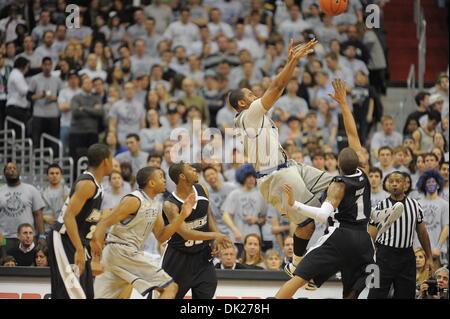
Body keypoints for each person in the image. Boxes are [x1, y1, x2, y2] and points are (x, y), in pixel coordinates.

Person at [229, 41, 398, 277]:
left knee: (340, 184)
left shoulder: (257, 115)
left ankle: (372, 217)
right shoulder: (248, 116)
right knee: (308, 223)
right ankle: (297, 264)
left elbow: (276, 89)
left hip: (289, 166)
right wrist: (292, 61)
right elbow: (277, 86)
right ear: (241, 103)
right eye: (250, 94)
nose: (255, 95)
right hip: (274, 176)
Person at [275, 79, 401, 299]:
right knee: (353, 291)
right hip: (363, 241)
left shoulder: (337, 184)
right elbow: (353, 135)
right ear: (358, 161)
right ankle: (376, 222)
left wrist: (294, 204)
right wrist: (344, 104)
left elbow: (323, 215)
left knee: (297, 277)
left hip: (341, 236)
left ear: (339, 166)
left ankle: (311, 279)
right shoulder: (364, 172)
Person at [90, 167, 197, 299]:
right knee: (170, 287)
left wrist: (182, 216)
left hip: (118, 254)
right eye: (161, 177)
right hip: (121, 250)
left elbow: (161, 236)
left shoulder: (153, 204)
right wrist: (96, 258)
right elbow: (104, 222)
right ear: (151, 183)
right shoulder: (134, 200)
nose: (164, 180)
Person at [48, 144, 113, 299]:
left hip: (78, 240)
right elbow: (68, 217)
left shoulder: (97, 185)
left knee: (86, 292)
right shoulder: (87, 184)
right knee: (72, 292)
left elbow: (87, 217)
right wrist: (78, 249)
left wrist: (94, 238)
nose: (113, 163)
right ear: (105, 161)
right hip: (65, 238)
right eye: (111, 159)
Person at [162, 162, 232, 299]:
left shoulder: (202, 189)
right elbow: (186, 233)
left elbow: (208, 217)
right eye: (190, 168)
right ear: (182, 176)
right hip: (178, 259)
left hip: (202, 257)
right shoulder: (170, 205)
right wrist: (216, 234)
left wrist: (215, 239)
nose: (195, 169)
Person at [367, 171, 434, 299]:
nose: (394, 184)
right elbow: (371, 236)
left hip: (406, 257)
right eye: (391, 181)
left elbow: (422, 232)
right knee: (375, 294)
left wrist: (429, 257)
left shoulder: (415, 205)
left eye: (398, 181)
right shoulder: (380, 206)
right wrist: (368, 259)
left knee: (406, 295)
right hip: (384, 256)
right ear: (386, 185)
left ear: (405, 185)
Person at [222, 164, 268, 256]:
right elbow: (225, 215)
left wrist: (256, 220)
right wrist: (235, 230)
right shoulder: (235, 194)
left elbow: (264, 218)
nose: (251, 179)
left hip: (255, 238)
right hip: (237, 238)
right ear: (242, 178)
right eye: (248, 177)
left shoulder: (260, 195)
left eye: (253, 177)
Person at [0, 162, 46, 253]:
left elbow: (38, 215)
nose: (12, 170)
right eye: (9, 168)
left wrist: (42, 236)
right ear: (4, 173)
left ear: (19, 172)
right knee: (6, 264)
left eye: (14, 168)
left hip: (27, 237)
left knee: (27, 265)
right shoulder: (0, 191)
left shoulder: (31, 190)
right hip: (5, 238)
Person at [414, 170, 449, 269]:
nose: (431, 184)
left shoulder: (444, 204)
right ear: (424, 185)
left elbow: (446, 227)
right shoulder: (417, 203)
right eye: (428, 182)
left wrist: (439, 247)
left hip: (436, 251)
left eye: (433, 182)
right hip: (418, 251)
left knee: (436, 281)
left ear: (438, 185)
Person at [28, 56, 63, 153]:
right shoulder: (35, 79)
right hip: (39, 114)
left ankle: (53, 161)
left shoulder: (57, 80)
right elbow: (29, 96)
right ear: (42, 66)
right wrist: (39, 96)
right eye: (45, 65)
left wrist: (54, 98)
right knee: (37, 140)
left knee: (53, 140)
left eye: (49, 65)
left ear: (52, 66)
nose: (47, 67)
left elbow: (62, 96)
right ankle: (36, 161)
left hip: (53, 114)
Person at [69, 77, 104, 163]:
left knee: (93, 159)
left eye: (90, 83)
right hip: (77, 132)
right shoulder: (76, 97)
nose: (89, 85)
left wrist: (84, 108)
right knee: (77, 159)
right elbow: (76, 112)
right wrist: (92, 109)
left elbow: (99, 113)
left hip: (92, 132)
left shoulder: (96, 98)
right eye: (86, 83)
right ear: (81, 85)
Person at [203, 166, 238, 239]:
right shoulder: (206, 194)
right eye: (207, 176)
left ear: (218, 174)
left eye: (212, 174)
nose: (211, 177)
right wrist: (217, 233)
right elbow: (210, 216)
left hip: (236, 227)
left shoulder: (232, 188)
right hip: (220, 230)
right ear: (205, 179)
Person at [5, 56, 30, 139]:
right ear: (23, 66)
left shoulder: (14, 74)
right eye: (27, 67)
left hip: (15, 109)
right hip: (16, 109)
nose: (27, 70)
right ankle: (18, 151)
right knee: (19, 134)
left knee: (17, 134)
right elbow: (24, 91)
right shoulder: (17, 75)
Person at [41, 163, 70, 233]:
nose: (54, 175)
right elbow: (36, 212)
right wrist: (44, 217)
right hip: (47, 229)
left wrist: (68, 201)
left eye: (57, 173)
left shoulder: (68, 192)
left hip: (64, 229)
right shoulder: (42, 193)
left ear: (61, 175)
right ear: (47, 176)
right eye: (52, 173)